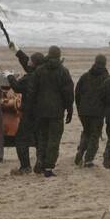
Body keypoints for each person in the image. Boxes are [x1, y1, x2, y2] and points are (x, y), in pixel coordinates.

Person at [27, 45, 74, 178]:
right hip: (56, 112)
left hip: (40, 111)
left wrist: (31, 109)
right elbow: (68, 93)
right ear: (59, 56)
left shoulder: (39, 71)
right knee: (54, 140)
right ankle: (48, 167)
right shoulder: (63, 72)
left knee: (42, 138)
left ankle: (40, 161)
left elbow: (32, 92)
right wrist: (69, 109)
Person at [7, 50, 43, 175]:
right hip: (43, 113)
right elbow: (27, 65)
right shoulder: (44, 74)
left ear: (33, 64)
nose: (28, 62)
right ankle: (41, 163)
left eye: (30, 61)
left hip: (29, 113)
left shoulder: (30, 78)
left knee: (21, 139)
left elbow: (17, 87)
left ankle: (25, 167)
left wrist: (9, 76)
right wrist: (17, 51)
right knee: (40, 139)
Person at [73, 54, 109, 167]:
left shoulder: (85, 76)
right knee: (95, 134)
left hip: (84, 111)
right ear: (105, 64)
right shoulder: (106, 78)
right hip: (98, 112)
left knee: (86, 132)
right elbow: (108, 96)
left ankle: (81, 151)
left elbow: (77, 93)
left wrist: (79, 107)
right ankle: (88, 159)